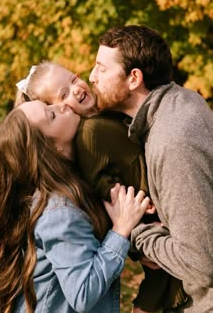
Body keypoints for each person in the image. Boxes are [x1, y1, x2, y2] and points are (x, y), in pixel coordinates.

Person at [15, 62, 187, 312]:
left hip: (142, 204)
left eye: (74, 79)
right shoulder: (89, 134)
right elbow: (103, 189)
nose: (74, 91)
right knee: (158, 277)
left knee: (160, 274)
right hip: (136, 205)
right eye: (62, 95)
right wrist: (129, 221)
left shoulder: (103, 114)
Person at [89, 24, 213, 313]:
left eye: (101, 69)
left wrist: (139, 234)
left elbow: (201, 264)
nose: (92, 77)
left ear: (134, 78)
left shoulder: (173, 142)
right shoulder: (182, 99)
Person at [0, 99, 151, 313]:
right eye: (52, 115)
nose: (62, 105)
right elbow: (83, 293)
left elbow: (88, 246)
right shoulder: (60, 211)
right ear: (52, 148)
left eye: (50, 104)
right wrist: (121, 230)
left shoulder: (75, 183)